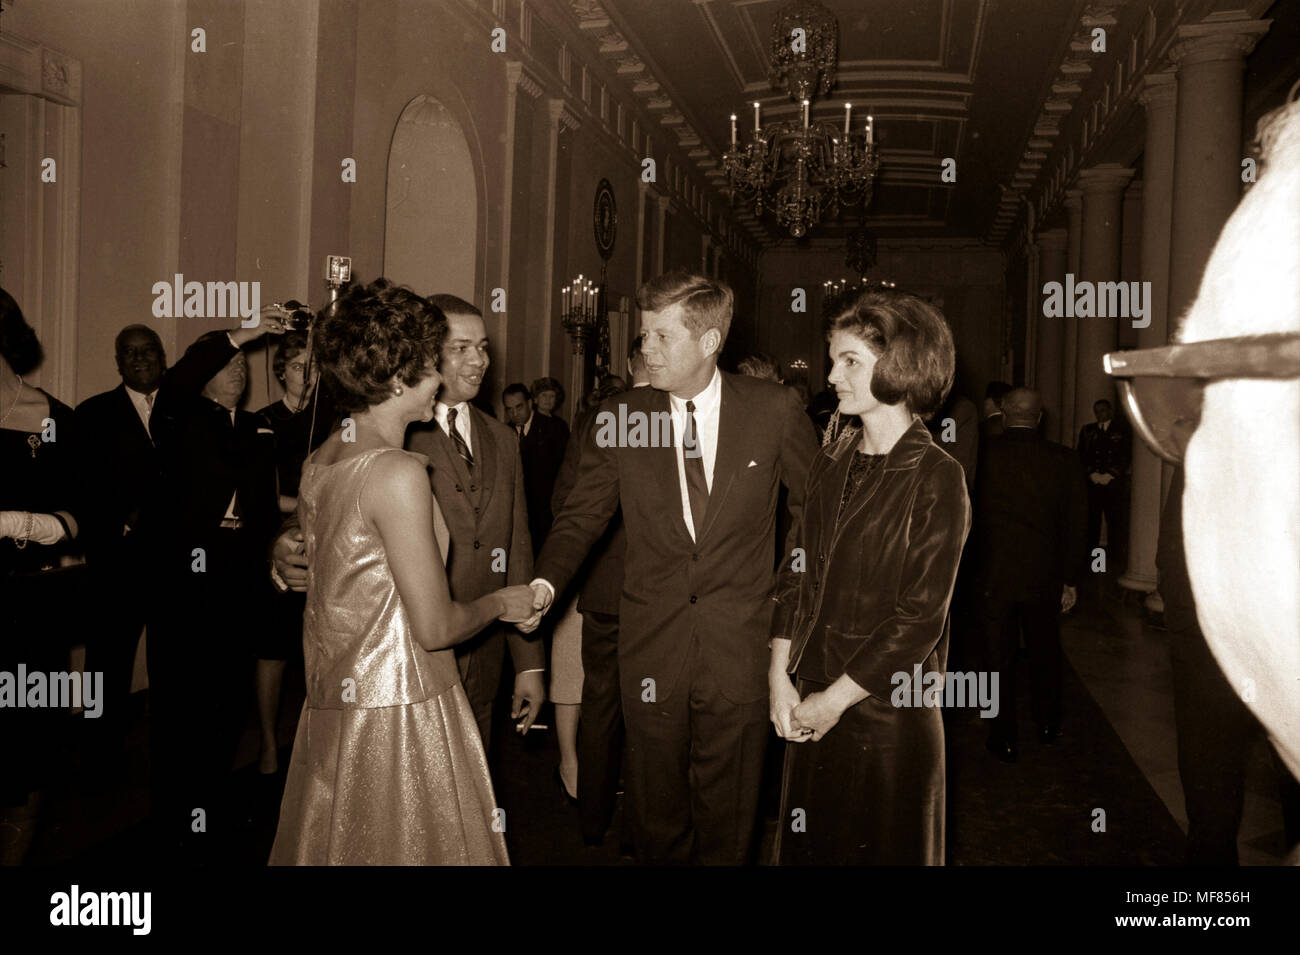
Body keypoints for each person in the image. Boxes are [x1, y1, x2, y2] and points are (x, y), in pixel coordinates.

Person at [529, 270, 818, 864]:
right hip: (652, 648)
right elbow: (581, 515)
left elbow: (812, 516)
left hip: (739, 648)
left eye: (661, 336)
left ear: (710, 342)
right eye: (644, 336)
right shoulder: (621, 415)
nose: (646, 351)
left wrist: (788, 605)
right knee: (656, 815)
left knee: (731, 818)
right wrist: (544, 582)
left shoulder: (773, 409)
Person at [268, 280, 535, 865]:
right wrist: (503, 603)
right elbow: (435, 627)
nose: (439, 378)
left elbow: (335, 562)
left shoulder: (321, 460)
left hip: (336, 701)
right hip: (403, 706)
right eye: (429, 367)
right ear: (397, 379)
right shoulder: (397, 470)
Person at [768, 288, 969, 865]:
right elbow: (793, 579)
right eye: (834, 359)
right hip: (811, 700)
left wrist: (831, 703)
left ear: (901, 367)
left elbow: (918, 621)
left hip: (886, 719)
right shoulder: (831, 462)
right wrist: (780, 680)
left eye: (849, 360)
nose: (831, 375)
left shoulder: (937, 475)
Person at [139, 310, 285, 863]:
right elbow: (179, 376)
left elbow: (266, 509)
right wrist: (245, 331)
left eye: (242, 364)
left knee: (227, 700)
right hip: (182, 581)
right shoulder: (177, 414)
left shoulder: (255, 429)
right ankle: (170, 821)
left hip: (236, 576)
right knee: (179, 704)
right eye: (226, 362)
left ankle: (210, 811)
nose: (238, 370)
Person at [0, 287, 82, 865]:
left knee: (20, 775)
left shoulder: (53, 421)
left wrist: (19, 523)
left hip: (23, 617)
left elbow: (89, 516)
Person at [970, 388, 1086, 761]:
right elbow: (1077, 525)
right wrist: (1069, 579)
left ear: (1003, 414)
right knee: (1045, 653)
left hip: (992, 577)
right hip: (1043, 577)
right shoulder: (1064, 460)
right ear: (1039, 417)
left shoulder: (982, 457)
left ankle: (1001, 735)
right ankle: (1048, 724)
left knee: (995, 660)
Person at [75, 325, 165, 761]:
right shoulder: (91, 415)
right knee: (107, 661)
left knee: (173, 662)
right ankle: (97, 753)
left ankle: (168, 751)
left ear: (162, 357)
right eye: (129, 353)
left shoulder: (186, 409)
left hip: (176, 559)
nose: (140, 359)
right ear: (118, 362)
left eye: (148, 351)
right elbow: (80, 486)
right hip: (119, 560)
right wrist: (123, 518)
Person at [253, 329, 338, 776]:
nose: (308, 376)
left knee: (319, 646)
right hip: (282, 541)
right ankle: (268, 744)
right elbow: (263, 497)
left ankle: (316, 746)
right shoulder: (264, 420)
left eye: (315, 367)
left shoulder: (332, 420)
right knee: (273, 649)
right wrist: (306, 506)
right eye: (299, 367)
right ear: (280, 371)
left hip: (325, 538)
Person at [546, 372, 629, 813]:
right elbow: (565, 502)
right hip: (583, 571)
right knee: (572, 673)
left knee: (599, 684)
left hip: (608, 575)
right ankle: (571, 764)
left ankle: (589, 771)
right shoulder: (593, 431)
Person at [504, 381, 569, 556]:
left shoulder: (554, 428)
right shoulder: (503, 432)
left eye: (519, 407)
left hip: (547, 512)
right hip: (518, 512)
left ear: (530, 402)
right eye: (509, 409)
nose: (515, 413)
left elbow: (566, 471)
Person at [1076, 398, 1130, 578]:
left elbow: (1126, 455)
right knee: (1092, 523)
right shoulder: (1087, 431)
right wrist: (1091, 474)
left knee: (1115, 522)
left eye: (1103, 410)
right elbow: (1081, 454)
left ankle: (1113, 563)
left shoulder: (1122, 430)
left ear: (1110, 411)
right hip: (1093, 484)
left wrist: (1111, 475)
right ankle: (1096, 564)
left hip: (1113, 484)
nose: (1100, 414)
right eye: (1097, 411)